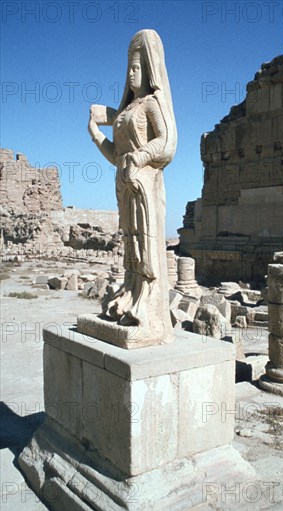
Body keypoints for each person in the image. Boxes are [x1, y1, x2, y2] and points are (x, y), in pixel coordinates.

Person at [88, 29, 177, 345]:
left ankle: (146, 309)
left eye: (136, 68)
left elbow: (167, 142)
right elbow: (117, 156)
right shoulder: (127, 109)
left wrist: (140, 157)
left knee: (145, 246)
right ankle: (129, 295)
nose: (130, 74)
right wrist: (97, 134)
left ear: (149, 69)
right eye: (128, 68)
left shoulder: (153, 103)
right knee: (129, 245)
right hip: (124, 187)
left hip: (144, 189)